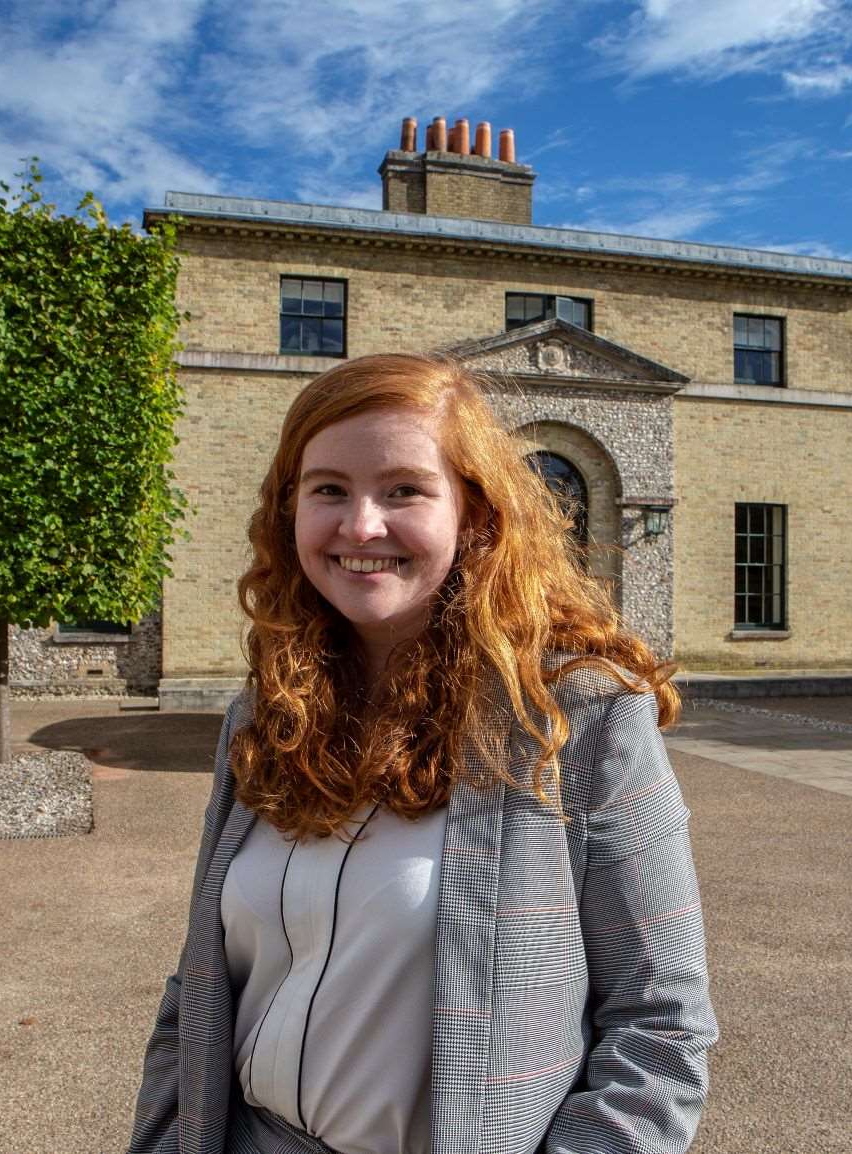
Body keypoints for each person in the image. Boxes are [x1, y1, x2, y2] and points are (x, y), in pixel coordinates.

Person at [128, 353, 717, 1154]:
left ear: (475, 514)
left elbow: (660, 1027)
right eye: (328, 489)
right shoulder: (263, 715)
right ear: (289, 510)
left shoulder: (577, 716)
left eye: (403, 489)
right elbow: (196, 986)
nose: (361, 525)